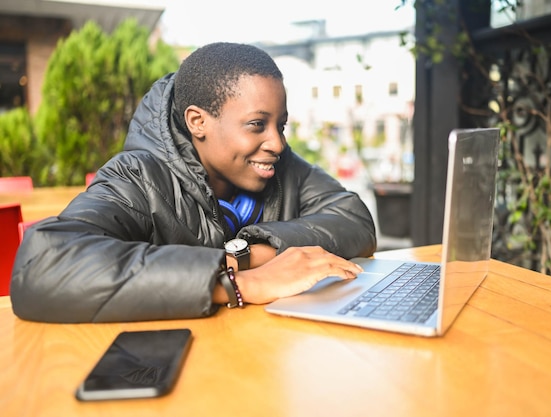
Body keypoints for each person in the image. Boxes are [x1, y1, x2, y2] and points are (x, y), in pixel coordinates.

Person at [10, 42, 377, 323]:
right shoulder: (138, 176)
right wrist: (239, 281)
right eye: (256, 125)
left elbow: (354, 219)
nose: (277, 143)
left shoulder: (280, 165)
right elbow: (41, 265)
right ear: (198, 122)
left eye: (280, 125)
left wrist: (249, 254)